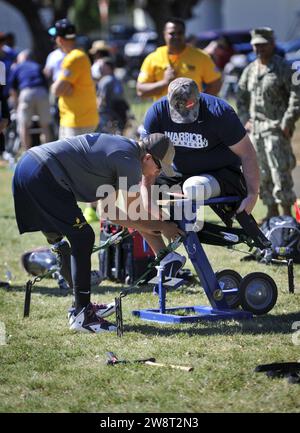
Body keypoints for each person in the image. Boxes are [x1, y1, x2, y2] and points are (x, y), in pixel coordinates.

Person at [12, 132, 184, 333]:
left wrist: (154, 229)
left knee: (60, 238)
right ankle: (83, 316)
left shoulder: (124, 150)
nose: (156, 174)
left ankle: (80, 307)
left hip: (28, 166)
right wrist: (165, 227)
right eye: (159, 168)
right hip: (43, 173)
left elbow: (109, 212)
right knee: (83, 237)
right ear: (148, 158)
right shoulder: (130, 163)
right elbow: (132, 215)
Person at [141, 77, 260, 233]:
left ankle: (190, 231)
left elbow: (247, 153)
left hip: (219, 174)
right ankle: (165, 255)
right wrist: (147, 197)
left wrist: (252, 195)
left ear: (199, 98)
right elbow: (147, 158)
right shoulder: (157, 112)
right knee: (132, 191)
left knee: (192, 187)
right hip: (177, 173)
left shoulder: (219, 111)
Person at [237, 27, 300, 221]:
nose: (259, 49)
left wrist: (287, 121)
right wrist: (245, 120)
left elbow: (296, 96)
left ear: (272, 44)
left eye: (263, 45)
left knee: (280, 171)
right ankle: (271, 212)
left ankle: (286, 214)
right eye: (256, 45)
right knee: (261, 173)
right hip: (256, 131)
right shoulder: (250, 70)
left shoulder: (284, 68)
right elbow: (241, 97)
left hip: (276, 130)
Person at [136, 18, 222, 101]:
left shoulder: (201, 56)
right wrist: (164, 82)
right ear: (164, 34)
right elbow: (141, 91)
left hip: (192, 112)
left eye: (180, 33)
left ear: (185, 34)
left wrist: (200, 103)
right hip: (163, 112)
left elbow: (216, 83)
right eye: (172, 33)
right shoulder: (153, 58)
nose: (176, 36)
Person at [48, 18, 99, 139]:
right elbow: (63, 88)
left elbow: (57, 90)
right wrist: (65, 88)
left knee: (71, 158)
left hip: (76, 122)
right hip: (77, 120)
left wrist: (57, 87)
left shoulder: (73, 58)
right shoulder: (79, 55)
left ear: (59, 40)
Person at [9, 49, 52, 150]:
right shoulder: (37, 65)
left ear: (22, 58)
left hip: (27, 92)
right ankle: (48, 153)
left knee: (24, 126)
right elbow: (46, 83)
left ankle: (26, 153)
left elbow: (13, 90)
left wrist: (16, 106)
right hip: (42, 92)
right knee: (45, 125)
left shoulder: (17, 67)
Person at [96, 56, 129, 134]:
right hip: (119, 114)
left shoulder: (106, 80)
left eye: (102, 66)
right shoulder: (117, 79)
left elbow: (101, 100)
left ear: (108, 67)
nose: (100, 68)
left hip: (106, 113)